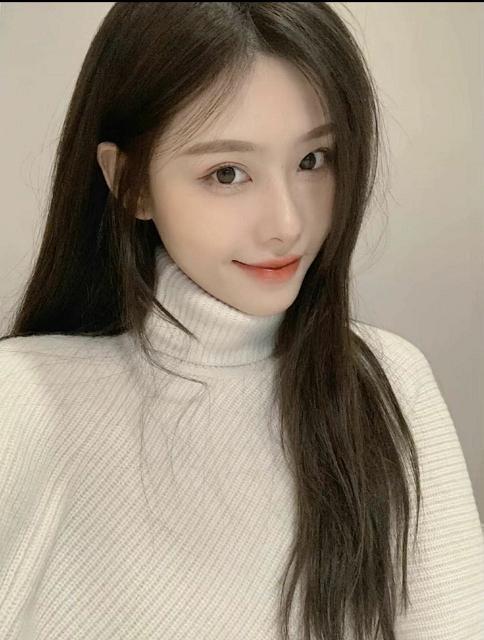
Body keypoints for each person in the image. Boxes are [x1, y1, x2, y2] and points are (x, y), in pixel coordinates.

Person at [0, 3, 483, 639]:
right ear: (131, 183)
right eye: (227, 173)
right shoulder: (22, 400)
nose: (287, 223)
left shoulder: (387, 383)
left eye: (313, 160)